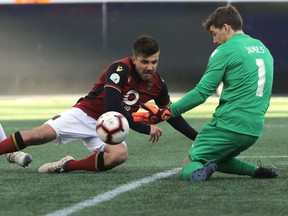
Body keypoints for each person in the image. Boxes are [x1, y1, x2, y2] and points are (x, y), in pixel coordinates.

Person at [0, 34, 198, 173]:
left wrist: (196, 138)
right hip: (85, 114)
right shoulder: (119, 69)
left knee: (119, 155)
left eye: (154, 62)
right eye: (145, 62)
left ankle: (66, 166)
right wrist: (144, 128)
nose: (150, 67)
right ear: (134, 58)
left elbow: (170, 113)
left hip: (109, 126)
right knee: (37, 135)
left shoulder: (157, 85)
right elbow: (112, 106)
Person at [133, 4, 277, 182]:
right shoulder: (262, 48)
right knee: (217, 157)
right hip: (254, 128)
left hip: (229, 124)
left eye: (214, 33)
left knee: (191, 162)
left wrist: (167, 112)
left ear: (226, 27)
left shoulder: (225, 50)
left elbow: (202, 92)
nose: (214, 40)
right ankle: (258, 172)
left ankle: (197, 175)